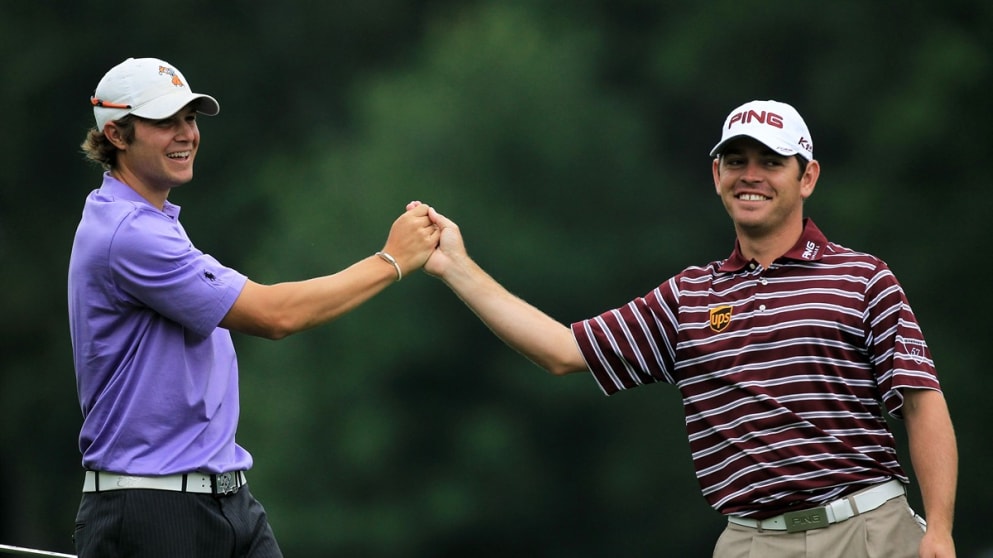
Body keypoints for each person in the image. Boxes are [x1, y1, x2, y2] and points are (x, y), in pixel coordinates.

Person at [418, 100, 957, 558]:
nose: (751, 175)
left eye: (771, 162)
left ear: (807, 176)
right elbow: (562, 350)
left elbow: (921, 403)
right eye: (736, 160)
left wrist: (939, 530)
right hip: (750, 542)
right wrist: (456, 268)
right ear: (716, 175)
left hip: (869, 531)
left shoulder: (862, 277)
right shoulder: (689, 297)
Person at [68, 57, 439, 558]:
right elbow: (273, 316)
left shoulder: (152, 221)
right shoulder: (128, 233)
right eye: (164, 122)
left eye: (190, 119)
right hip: (151, 510)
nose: (185, 134)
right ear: (116, 134)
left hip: (227, 499)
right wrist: (391, 260)